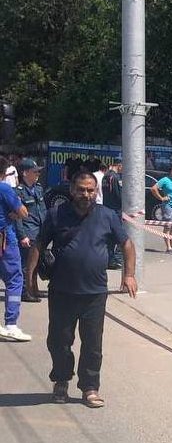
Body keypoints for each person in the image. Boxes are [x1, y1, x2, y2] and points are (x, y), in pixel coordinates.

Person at [27, 172, 137, 408]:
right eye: (81, 189)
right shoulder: (57, 215)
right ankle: (61, 381)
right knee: (59, 341)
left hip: (95, 294)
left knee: (92, 344)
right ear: (72, 190)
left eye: (90, 190)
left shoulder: (107, 216)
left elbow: (127, 244)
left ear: (96, 192)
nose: (86, 194)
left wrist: (129, 275)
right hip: (62, 292)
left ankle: (90, 388)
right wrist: (30, 278)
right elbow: (39, 244)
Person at [0, 176, 29, 342]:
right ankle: (11, 324)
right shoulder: (4, 188)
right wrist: (14, 213)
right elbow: (23, 212)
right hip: (5, 240)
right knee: (15, 280)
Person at [14, 158, 46, 303]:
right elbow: (17, 217)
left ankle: (34, 289)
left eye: (38, 171)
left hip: (39, 231)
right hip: (28, 232)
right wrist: (22, 236)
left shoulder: (38, 189)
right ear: (25, 173)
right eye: (35, 171)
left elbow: (43, 210)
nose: (38, 174)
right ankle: (25, 291)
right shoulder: (18, 192)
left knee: (36, 263)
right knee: (26, 265)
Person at [150, 164, 172, 254]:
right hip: (168, 205)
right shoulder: (165, 180)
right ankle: (168, 248)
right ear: (171, 172)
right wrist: (161, 198)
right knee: (168, 226)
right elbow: (153, 188)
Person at [102, 158, 124, 269]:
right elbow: (118, 195)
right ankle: (115, 259)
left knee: (109, 237)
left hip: (107, 207)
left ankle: (108, 259)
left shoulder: (106, 176)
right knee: (119, 236)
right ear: (119, 165)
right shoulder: (116, 177)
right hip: (115, 210)